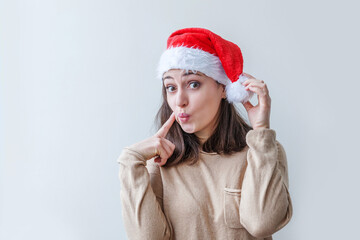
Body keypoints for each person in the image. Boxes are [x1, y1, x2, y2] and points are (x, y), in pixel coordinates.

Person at [117, 27, 293, 240]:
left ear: (223, 89)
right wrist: (130, 161)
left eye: (193, 84)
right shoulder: (159, 163)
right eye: (171, 87)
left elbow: (262, 223)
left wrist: (261, 131)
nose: (179, 100)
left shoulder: (262, 151)